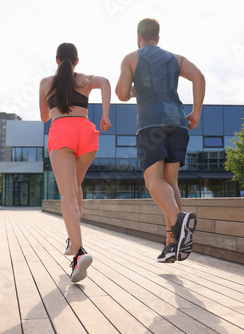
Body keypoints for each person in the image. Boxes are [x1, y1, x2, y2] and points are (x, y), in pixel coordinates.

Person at [115, 19, 205, 263]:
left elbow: (121, 94)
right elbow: (199, 77)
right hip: (178, 122)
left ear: (138, 37)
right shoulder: (176, 59)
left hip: (151, 124)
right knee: (170, 182)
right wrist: (196, 111)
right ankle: (171, 244)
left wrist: (134, 86)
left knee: (152, 180)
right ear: (158, 37)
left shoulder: (131, 58)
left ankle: (179, 222)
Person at [40, 42, 111, 282]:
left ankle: (79, 253)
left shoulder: (45, 83)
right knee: (76, 187)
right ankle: (72, 240)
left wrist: (53, 105)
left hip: (62, 135)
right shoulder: (84, 80)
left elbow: (43, 118)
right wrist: (104, 115)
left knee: (68, 196)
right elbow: (106, 83)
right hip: (87, 134)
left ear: (57, 60)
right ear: (77, 61)